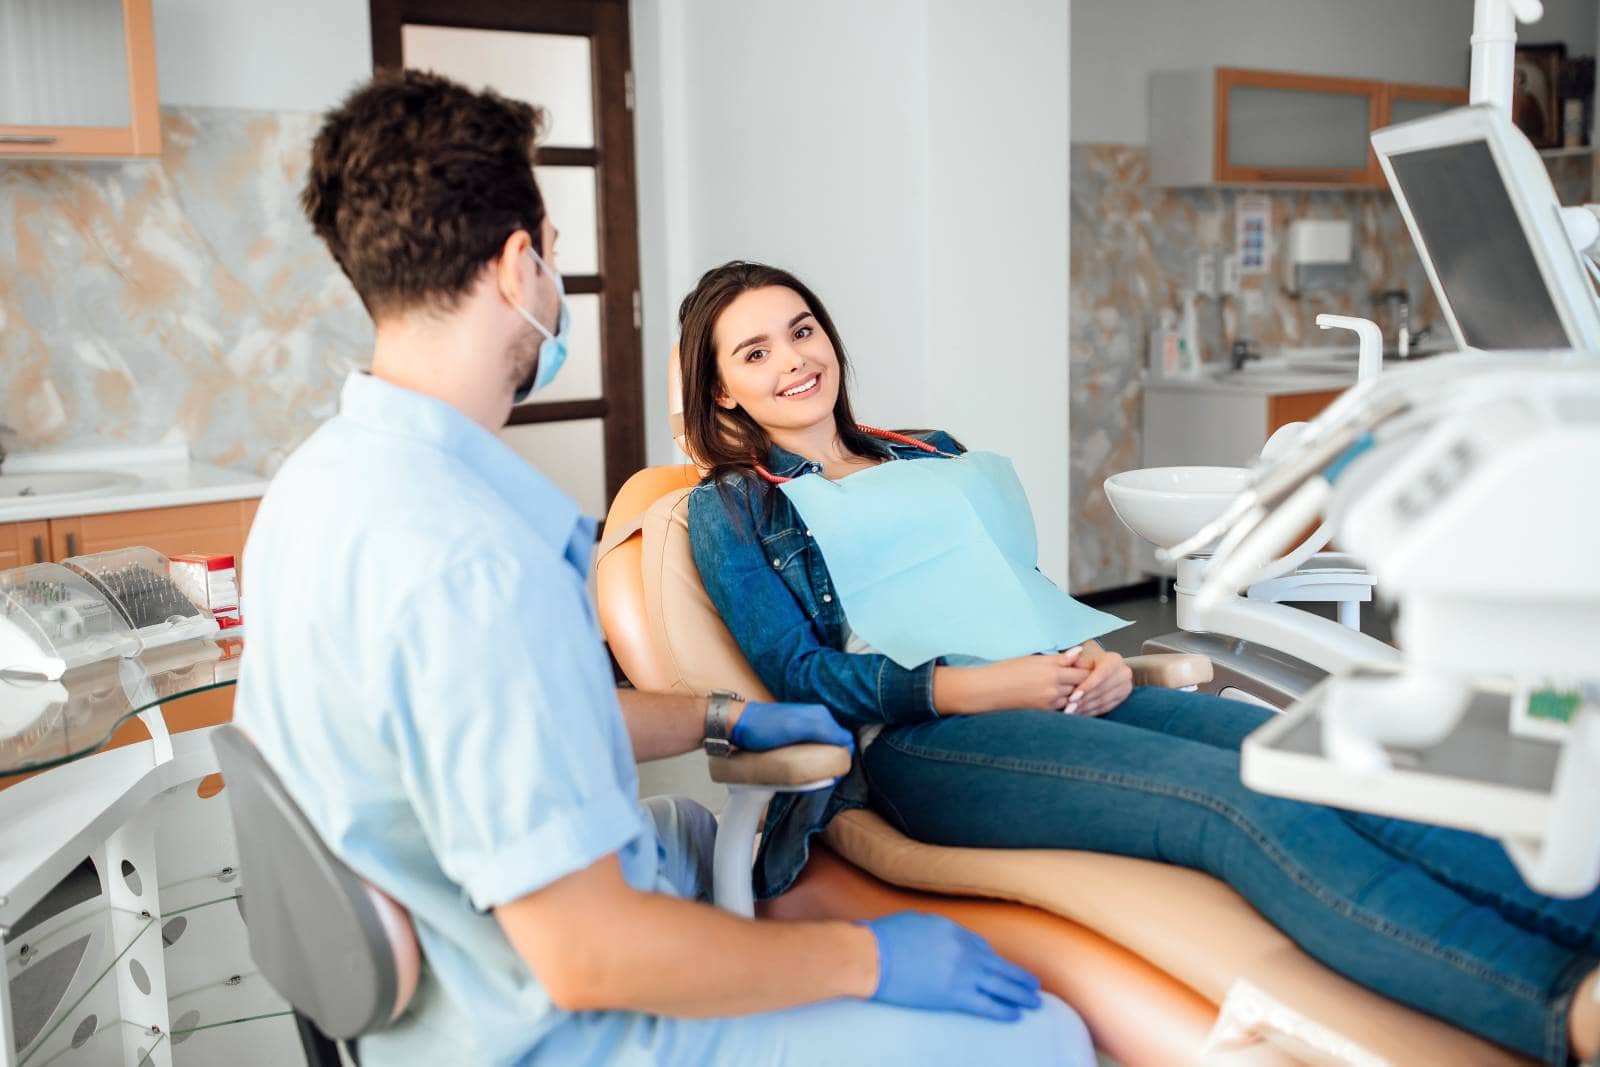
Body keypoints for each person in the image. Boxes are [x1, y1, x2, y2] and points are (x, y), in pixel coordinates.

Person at [234, 73, 1093, 1067]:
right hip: (559, 1026)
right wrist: (862, 957)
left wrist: (717, 716)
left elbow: (498, 717)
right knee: (1043, 1032)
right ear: (521, 264)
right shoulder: (473, 565)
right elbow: (593, 955)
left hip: (452, 952)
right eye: (554, 251)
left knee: (690, 823)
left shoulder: (314, 488)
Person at [681, 259, 1600, 1065]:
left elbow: (1011, 592)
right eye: (754, 352)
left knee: (1312, 759)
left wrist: (1094, 660)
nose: (794, 360)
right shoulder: (735, 508)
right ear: (722, 390)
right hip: (925, 739)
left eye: (801, 331)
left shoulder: (931, 452)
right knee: (1232, 809)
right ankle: (1563, 1006)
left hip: (1064, 688)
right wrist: (979, 686)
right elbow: (800, 671)